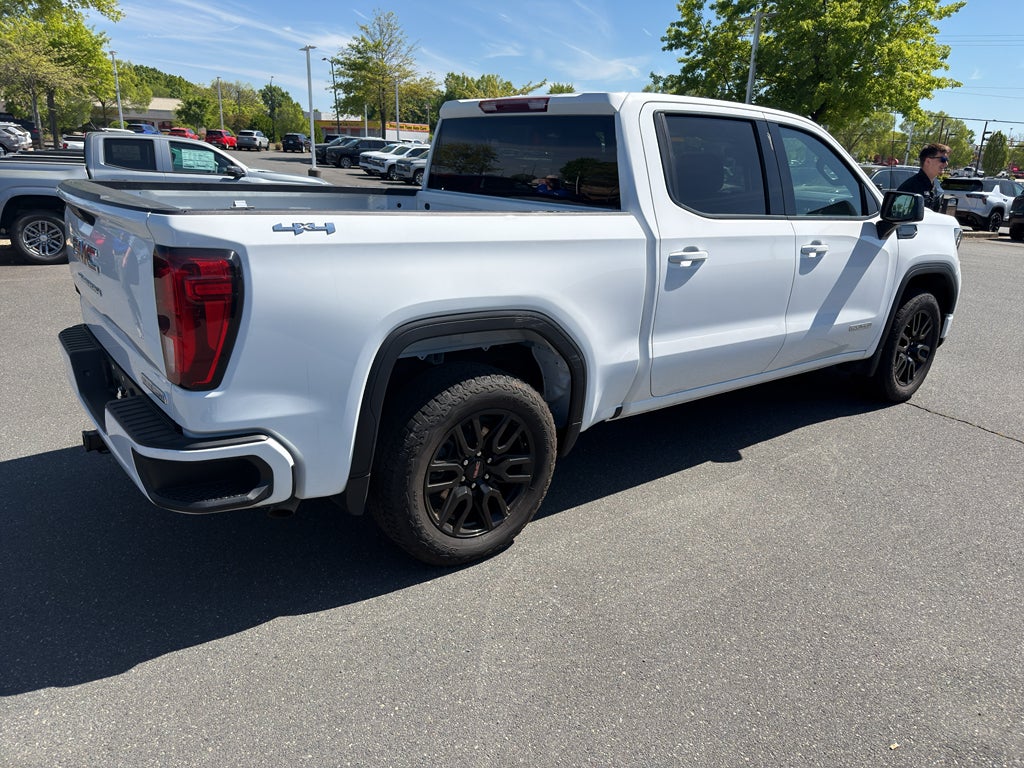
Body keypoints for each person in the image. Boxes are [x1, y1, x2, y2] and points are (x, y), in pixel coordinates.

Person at [897, 143, 950, 211]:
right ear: (928, 161)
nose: (946, 164)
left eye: (947, 160)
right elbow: (898, 213)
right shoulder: (910, 188)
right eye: (943, 159)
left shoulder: (934, 187)